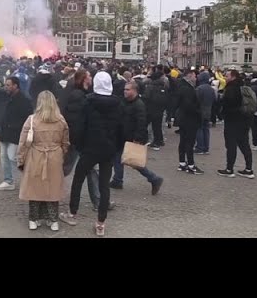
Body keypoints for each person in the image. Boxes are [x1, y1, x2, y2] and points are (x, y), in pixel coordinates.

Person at [60, 71, 122, 237]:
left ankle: (72, 214)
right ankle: (101, 223)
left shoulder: (88, 103)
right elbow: (122, 129)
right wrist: (116, 147)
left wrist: (80, 145)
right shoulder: (118, 104)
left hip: (90, 149)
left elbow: (80, 127)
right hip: (108, 150)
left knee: (78, 179)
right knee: (104, 185)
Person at [17, 90, 69, 231]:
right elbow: (65, 142)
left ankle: (33, 219)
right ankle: (53, 220)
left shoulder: (32, 119)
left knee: (34, 187)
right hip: (55, 156)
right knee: (52, 188)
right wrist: (60, 154)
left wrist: (21, 159)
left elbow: (23, 142)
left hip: (35, 155)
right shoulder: (61, 120)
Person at [110, 81, 164, 194]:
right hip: (121, 136)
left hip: (131, 138)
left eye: (127, 89)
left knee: (134, 162)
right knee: (118, 158)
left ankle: (153, 178)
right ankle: (117, 180)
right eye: (125, 89)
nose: (125, 91)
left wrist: (138, 138)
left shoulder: (139, 105)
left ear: (134, 91)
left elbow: (141, 122)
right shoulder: (124, 102)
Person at [0, 77, 33, 191]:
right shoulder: (8, 97)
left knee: (14, 158)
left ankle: (30, 180)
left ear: (15, 85)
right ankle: (8, 180)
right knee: (4, 157)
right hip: (5, 132)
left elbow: (28, 118)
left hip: (16, 133)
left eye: (8, 85)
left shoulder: (24, 100)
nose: (6, 87)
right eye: (6, 85)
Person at [217, 69, 255, 178]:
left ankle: (229, 169)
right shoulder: (244, 86)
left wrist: (222, 107)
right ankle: (249, 169)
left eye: (227, 75)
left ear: (233, 76)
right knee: (244, 144)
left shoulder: (231, 88)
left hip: (232, 120)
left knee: (231, 145)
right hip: (245, 120)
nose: (225, 77)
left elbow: (229, 104)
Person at [176, 68, 204, 175]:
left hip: (183, 118)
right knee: (189, 142)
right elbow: (188, 105)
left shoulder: (182, 86)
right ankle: (191, 166)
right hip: (189, 119)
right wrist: (198, 111)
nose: (196, 78)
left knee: (183, 141)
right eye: (194, 76)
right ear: (189, 75)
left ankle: (182, 163)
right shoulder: (188, 88)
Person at [144, 69, 168, 151]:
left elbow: (146, 97)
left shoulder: (150, 86)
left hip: (150, 109)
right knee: (157, 126)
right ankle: (158, 141)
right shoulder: (163, 86)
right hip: (160, 109)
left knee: (144, 124)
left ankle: (145, 140)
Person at [194, 71, 215, 155]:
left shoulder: (199, 89)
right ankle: (206, 148)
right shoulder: (211, 89)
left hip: (200, 111)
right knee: (206, 130)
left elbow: (196, 101)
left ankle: (200, 147)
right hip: (208, 111)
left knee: (199, 129)